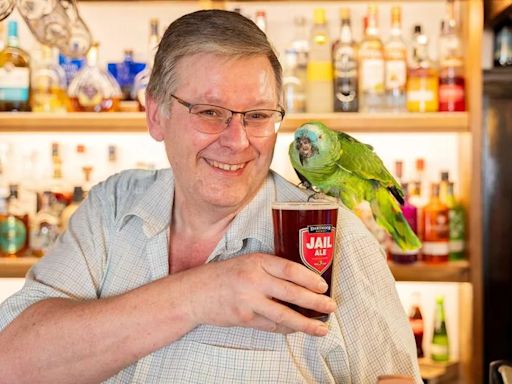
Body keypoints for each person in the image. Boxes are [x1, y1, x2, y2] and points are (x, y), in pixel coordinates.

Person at [0, 10, 421, 383]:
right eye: (209, 112)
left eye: (257, 116)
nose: (237, 142)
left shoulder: (333, 236)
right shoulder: (112, 206)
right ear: (155, 114)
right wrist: (199, 294)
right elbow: (12, 363)